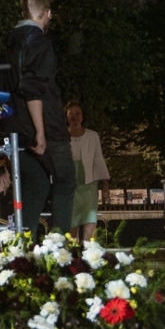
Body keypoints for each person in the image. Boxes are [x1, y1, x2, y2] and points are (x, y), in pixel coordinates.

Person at [2, 0, 74, 233]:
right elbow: (33, 88)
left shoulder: (10, 41)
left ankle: (22, 244)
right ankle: (60, 249)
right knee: (66, 181)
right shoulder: (40, 42)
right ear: (48, 13)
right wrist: (40, 131)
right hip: (46, 127)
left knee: (37, 184)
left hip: (13, 127)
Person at [65, 101, 109, 241]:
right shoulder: (62, 137)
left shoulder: (92, 136)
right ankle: (73, 257)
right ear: (66, 117)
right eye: (71, 114)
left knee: (90, 221)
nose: (74, 117)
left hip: (89, 184)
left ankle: (88, 256)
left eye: (78, 113)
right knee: (72, 224)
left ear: (82, 117)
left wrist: (105, 184)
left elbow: (98, 159)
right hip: (70, 186)